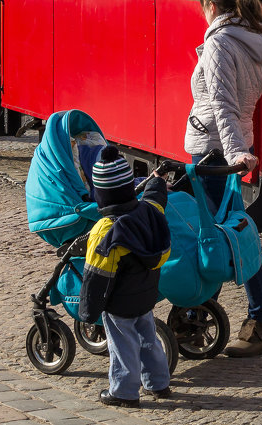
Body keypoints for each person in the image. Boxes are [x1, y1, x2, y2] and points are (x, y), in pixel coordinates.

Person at [184, 0, 262, 356]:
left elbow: (222, 104)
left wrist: (233, 154)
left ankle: (201, 321)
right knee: (236, 231)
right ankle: (255, 318)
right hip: (230, 144)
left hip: (214, 150)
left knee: (217, 235)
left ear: (211, 7)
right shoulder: (252, 41)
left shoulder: (221, 43)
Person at [78, 148, 171, 408]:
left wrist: (88, 311)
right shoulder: (150, 213)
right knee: (148, 339)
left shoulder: (106, 231)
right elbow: (155, 197)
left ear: (100, 195)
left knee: (123, 346)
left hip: (119, 303)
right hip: (146, 295)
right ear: (130, 187)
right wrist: (156, 180)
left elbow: (96, 277)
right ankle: (158, 382)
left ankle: (123, 392)